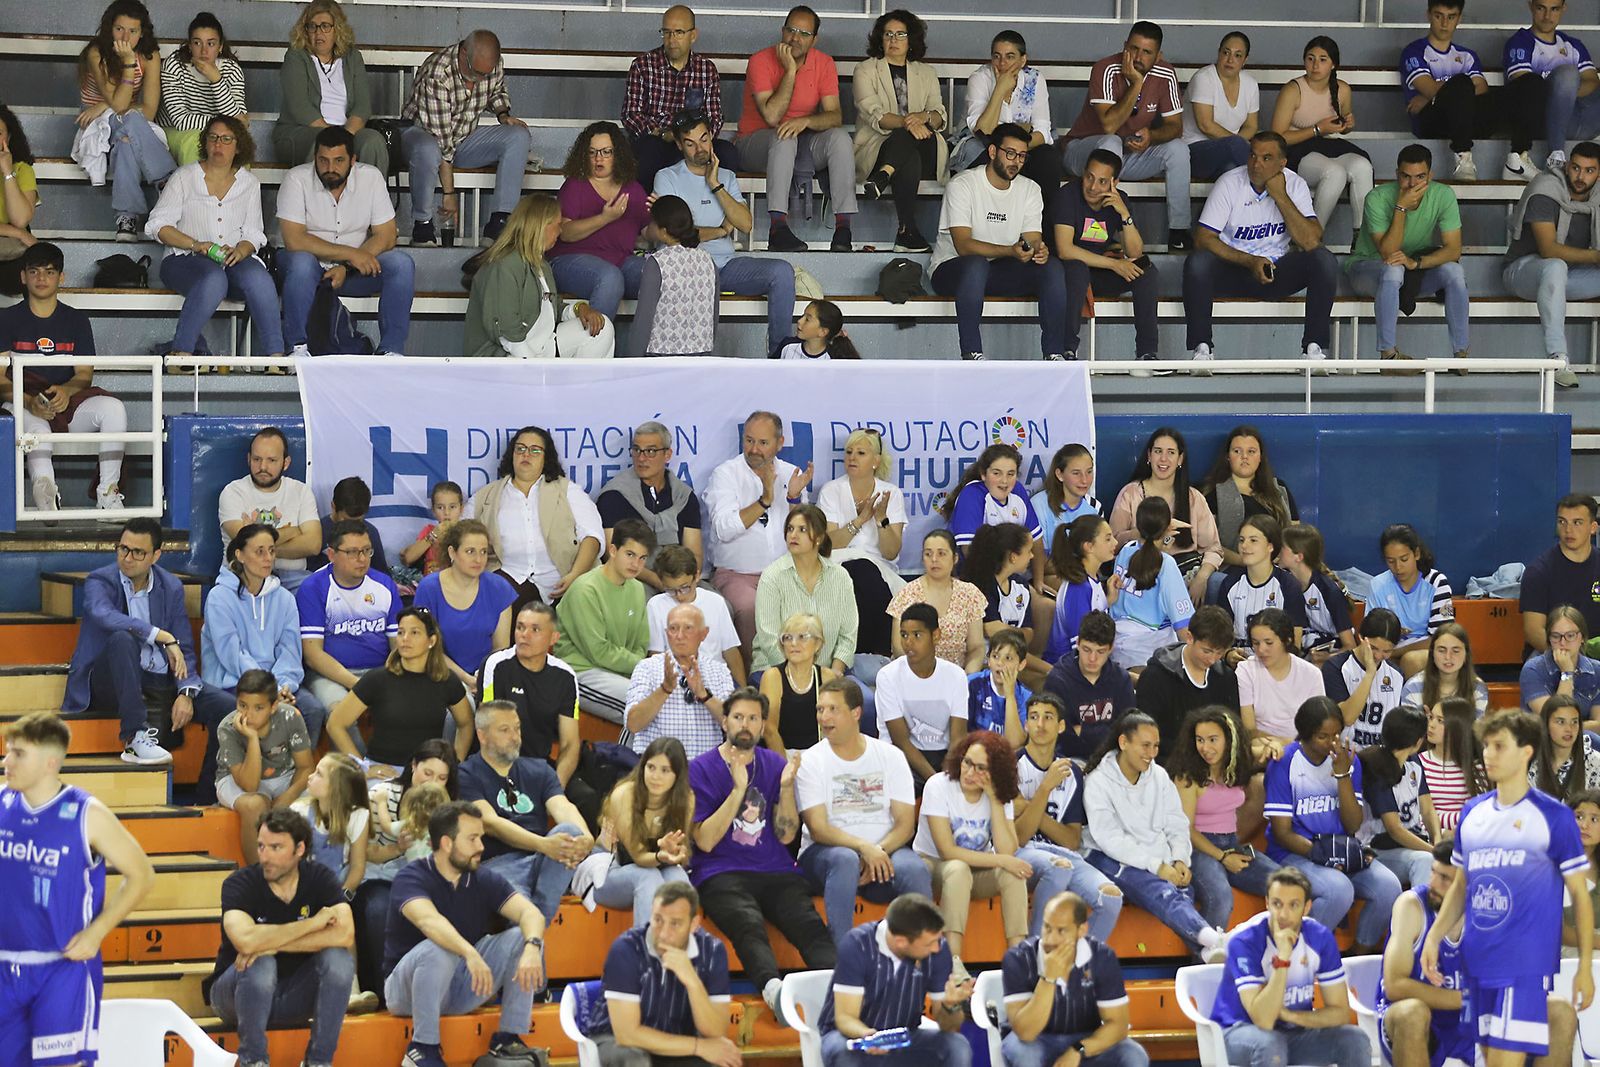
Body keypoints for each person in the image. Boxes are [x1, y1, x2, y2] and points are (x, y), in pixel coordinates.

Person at [1422, 710, 1593, 1067]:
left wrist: (1584, 967)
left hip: (1525, 965)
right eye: (1486, 746)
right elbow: (1461, 885)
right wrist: (1434, 937)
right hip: (1478, 961)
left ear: (1526, 751)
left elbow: (1579, 894)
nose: (1488, 754)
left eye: (1499, 746)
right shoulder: (1472, 812)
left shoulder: (1553, 816)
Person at [0, 711, 154, 1066]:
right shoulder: (3, 803)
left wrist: (97, 932)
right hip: (6, 966)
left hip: (61, 968)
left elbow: (142, 875)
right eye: (7, 752)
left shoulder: (87, 814)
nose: (7, 761)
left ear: (50, 763)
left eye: (18, 754)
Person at [688, 687, 836, 1022]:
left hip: (775, 869)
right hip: (720, 872)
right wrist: (738, 789)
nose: (745, 724)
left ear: (762, 725)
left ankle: (839, 991)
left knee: (809, 924)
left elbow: (786, 835)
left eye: (753, 718)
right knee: (747, 923)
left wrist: (786, 789)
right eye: (738, 717)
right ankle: (773, 990)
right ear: (724, 722)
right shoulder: (700, 768)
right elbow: (706, 842)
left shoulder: (774, 764)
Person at [382, 800, 549, 1067]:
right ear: (447, 843)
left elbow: (531, 914)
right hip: (407, 992)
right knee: (439, 948)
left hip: (460, 984)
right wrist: (469, 952)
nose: (481, 846)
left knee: (523, 937)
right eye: (472, 839)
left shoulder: (482, 878)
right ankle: (422, 1049)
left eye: (481, 838)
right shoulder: (411, 877)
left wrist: (532, 947)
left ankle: (508, 1039)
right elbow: (429, 921)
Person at [206, 806, 354, 1067]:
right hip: (237, 994)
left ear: (299, 849)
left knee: (339, 960)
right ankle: (254, 1061)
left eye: (276, 848)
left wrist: (272, 944)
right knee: (259, 962)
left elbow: (345, 934)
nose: (265, 856)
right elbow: (246, 941)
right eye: (261, 846)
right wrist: (313, 924)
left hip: (295, 994)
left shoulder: (320, 878)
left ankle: (319, 1062)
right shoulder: (240, 882)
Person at [1082, 711, 1229, 960]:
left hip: (1154, 857)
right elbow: (1110, 839)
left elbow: (1176, 822)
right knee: (1158, 889)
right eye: (1145, 745)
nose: (1152, 753)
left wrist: (1179, 859)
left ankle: (1207, 952)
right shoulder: (1098, 781)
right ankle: (1213, 941)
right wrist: (1158, 867)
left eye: (1156, 746)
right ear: (1123, 742)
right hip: (1104, 856)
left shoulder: (1159, 776)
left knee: (1182, 891)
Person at [1184, 131, 1338, 368]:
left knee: (1324, 260)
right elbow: (1203, 239)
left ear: (1282, 163)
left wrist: (1280, 196)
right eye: (1253, 156)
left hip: (1277, 271)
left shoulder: (1295, 184)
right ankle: (1202, 349)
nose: (1256, 164)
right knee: (1198, 262)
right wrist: (1250, 261)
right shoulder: (1230, 182)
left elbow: (1311, 241)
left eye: (1267, 158)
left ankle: (1313, 349)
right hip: (1235, 268)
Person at [1266, 695, 1403, 955]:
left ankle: (1356, 958)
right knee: (1339, 890)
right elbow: (1282, 833)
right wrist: (1323, 855)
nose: (1332, 742)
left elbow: (1352, 823)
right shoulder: (1285, 762)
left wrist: (1342, 775)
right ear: (1305, 735)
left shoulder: (1348, 760)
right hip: (1294, 853)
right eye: (1323, 736)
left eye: (1336, 734)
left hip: (1340, 850)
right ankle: (1295, 957)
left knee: (1389, 888)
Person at [798, 678, 930, 946]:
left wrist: (876, 851)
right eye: (820, 709)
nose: (824, 717)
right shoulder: (811, 760)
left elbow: (905, 825)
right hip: (825, 856)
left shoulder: (890, 756)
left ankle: (925, 958)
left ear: (856, 713)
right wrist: (863, 848)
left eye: (833, 709)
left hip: (884, 853)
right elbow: (818, 828)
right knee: (845, 860)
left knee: (914, 869)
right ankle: (843, 959)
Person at [655, 110, 797, 354]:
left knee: (782, 272)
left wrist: (715, 184)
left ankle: (779, 355)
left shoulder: (726, 177)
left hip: (726, 266)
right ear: (679, 145)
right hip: (686, 269)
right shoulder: (667, 177)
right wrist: (721, 230)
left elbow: (745, 224)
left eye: (704, 139)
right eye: (690, 143)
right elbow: (675, 235)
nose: (699, 148)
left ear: (711, 136)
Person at [0, 242, 126, 513]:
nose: (41, 278)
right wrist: (28, 401)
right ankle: (47, 497)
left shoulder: (77, 320)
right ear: (23, 277)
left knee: (114, 408)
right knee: (38, 430)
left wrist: (66, 392)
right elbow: (0, 379)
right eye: (34, 271)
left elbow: (84, 375)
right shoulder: (6, 319)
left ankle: (108, 495)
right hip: (23, 404)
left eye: (49, 271)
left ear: (61, 277)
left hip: (66, 404)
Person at [148, 113, 282, 363]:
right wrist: (196, 245)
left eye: (226, 139)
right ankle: (182, 354)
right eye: (213, 138)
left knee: (259, 278)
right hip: (183, 259)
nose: (219, 144)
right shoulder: (184, 176)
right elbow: (158, 225)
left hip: (231, 260)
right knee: (213, 278)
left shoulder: (249, 183)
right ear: (205, 143)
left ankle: (276, 358)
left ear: (238, 146)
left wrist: (241, 250)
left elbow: (254, 233)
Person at [62, 517, 197, 764]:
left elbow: (184, 647)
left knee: (222, 706)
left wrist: (186, 692)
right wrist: (160, 635)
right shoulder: (100, 580)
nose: (127, 558)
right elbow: (104, 615)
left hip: (157, 681)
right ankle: (134, 737)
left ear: (155, 556)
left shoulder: (171, 587)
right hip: (109, 679)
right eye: (123, 549)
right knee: (123, 639)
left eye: (138, 552)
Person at [929, 122, 1067, 362]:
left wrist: (1037, 249)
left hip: (1000, 270)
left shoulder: (1030, 189)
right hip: (953, 269)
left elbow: (1032, 237)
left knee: (1051, 267)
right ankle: (972, 354)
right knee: (976, 264)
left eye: (1022, 156)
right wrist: (1010, 251)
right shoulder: (962, 184)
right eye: (1010, 153)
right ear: (993, 151)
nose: (1016, 162)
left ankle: (1054, 354)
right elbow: (963, 245)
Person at [1210, 866, 1374, 1067]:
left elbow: (1340, 1013)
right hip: (1238, 1032)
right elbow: (1264, 1020)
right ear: (1267, 903)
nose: (1283, 914)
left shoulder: (1319, 937)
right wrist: (1283, 958)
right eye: (1277, 904)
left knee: (1354, 1039)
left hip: (1293, 1033)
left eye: (1293, 905)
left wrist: (1291, 1016)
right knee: (1270, 1044)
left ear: (1306, 908)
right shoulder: (1245, 941)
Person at [279, 126, 413, 357]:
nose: (330, 168)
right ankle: (296, 348)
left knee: (401, 264)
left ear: (353, 160)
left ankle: (390, 351)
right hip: (308, 270)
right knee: (301, 263)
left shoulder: (370, 177)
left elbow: (387, 234)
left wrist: (347, 267)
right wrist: (351, 255)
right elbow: (294, 240)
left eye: (339, 161)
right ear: (315, 158)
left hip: (353, 271)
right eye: (323, 160)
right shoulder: (296, 178)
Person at [736, 5, 857, 253]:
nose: (795, 38)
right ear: (782, 31)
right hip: (754, 144)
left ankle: (843, 228)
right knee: (784, 137)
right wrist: (790, 70)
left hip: (801, 140)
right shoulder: (760, 60)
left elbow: (834, 116)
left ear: (814, 39)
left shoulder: (823, 63)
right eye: (791, 30)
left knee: (840, 138)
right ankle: (777, 228)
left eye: (804, 33)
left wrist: (806, 121)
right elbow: (772, 116)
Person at [459, 701, 594, 920]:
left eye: (517, 728)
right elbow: (490, 823)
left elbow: (563, 807)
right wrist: (543, 844)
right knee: (524, 912)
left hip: (543, 859)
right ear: (482, 736)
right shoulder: (466, 774)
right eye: (505, 730)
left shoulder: (539, 769)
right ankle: (537, 920)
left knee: (571, 830)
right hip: (498, 864)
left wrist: (587, 838)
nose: (515, 737)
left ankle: (535, 922)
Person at [1063, 21, 1190, 250]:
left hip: (1126, 155)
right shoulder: (1106, 68)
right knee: (1111, 142)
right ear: (1124, 46)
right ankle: (1103, 229)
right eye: (1133, 49)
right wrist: (1137, 83)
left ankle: (1179, 232)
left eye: (1147, 52)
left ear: (1158, 56)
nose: (1138, 57)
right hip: (1083, 152)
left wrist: (1152, 136)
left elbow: (1175, 127)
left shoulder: (1166, 73)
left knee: (1178, 149)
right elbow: (1109, 125)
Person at [198, 523, 328, 747]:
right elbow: (231, 654)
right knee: (260, 712)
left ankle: (296, 769)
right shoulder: (219, 597)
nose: (268, 558)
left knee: (312, 710)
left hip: (278, 683)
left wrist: (283, 686)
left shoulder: (285, 598)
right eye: (260, 551)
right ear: (239, 555)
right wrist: (270, 690)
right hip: (233, 681)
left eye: (272, 551)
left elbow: (290, 651)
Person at [913, 729, 1030, 973]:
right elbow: (947, 851)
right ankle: (953, 963)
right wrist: (1002, 860)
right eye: (967, 762)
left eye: (981, 768)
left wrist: (995, 799)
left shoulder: (1000, 794)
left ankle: (1018, 960)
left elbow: (1007, 849)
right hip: (934, 866)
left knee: (1013, 875)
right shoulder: (939, 785)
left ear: (995, 772)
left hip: (976, 870)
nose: (969, 772)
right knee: (958, 869)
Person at [400, 30, 531, 246]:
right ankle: (422, 224)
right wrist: (449, 193)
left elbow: (496, 92)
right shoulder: (438, 72)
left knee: (518, 135)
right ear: (463, 53)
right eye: (476, 72)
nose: (479, 79)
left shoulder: (492, 64)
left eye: (485, 75)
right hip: (421, 135)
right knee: (428, 148)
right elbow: (441, 140)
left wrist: (503, 115)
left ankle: (500, 224)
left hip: (463, 137)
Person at [1013, 693, 1125, 942]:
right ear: (1026, 725)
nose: (1040, 724)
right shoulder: (1012, 765)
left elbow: (1071, 841)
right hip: (1022, 853)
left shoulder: (1072, 771)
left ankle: (1076, 962)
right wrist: (1045, 788)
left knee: (1110, 898)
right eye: (1034, 717)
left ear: (1061, 726)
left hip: (1063, 854)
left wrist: (1029, 807)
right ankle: (1037, 953)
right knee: (1058, 869)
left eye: (1048, 717)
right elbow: (1019, 836)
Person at [1347, 145, 1470, 368]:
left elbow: (1453, 250)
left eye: (1420, 177)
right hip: (1366, 268)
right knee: (1393, 269)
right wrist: (1401, 208)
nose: (1412, 184)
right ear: (1397, 174)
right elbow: (1388, 253)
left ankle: (1461, 355)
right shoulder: (1377, 197)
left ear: (1430, 175)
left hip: (1410, 271)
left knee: (1455, 270)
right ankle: (1388, 356)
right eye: (1406, 176)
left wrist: (1417, 263)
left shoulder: (1443, 194)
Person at [819, 892, 975, 1066]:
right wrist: (869, 1037)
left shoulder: (938, 950)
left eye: (938, 940)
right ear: (901, 942)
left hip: (904, 1037)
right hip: (853, 1036)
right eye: (929, 943)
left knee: (957, 1046)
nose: (936, 948)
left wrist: (951, 1005)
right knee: (844, 1053)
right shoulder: (857, 945)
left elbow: (949, 1027)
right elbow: (845, 1018)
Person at [593, 881, 739, 1067]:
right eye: (658, 920)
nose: (663, 933)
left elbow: (716, 1031)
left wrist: (692, 982)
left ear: (694, 924)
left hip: (678, 1041)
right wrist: (698, 1046)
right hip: (615, 1042)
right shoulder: (626, 948)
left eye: (675, 924)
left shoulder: (712, 951)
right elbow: (627, 1034)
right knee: (635, 1060)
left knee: (720, 1058)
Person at [706, 410, 812, 658]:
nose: (754, 449)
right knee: (750, 608)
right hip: (737, 575)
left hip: (786, 574)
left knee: (809, 606)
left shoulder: (791, 474)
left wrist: (794, 499)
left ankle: (798, 674)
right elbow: (723, 528)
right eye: (749, 440)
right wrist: (764, 501)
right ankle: (754, 675)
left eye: (763, 443)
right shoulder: (725, 474)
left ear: (780, 443)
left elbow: (804, 536)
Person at [358, 740, 458, 1001]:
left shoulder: (445, 805)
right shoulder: (382, 794)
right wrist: (397, 848)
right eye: (427, 773)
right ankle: (384, 992)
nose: (432, 782)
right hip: (381, 874)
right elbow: (364, 851)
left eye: (441, 778)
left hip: (426, 878)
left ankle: (445, 989)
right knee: (380, 910)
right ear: (413, 766)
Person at [1000, 891, 1146, 1067]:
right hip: (1033, 1041)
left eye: (1061, 931)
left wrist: (1079, 1049)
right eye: (1047, 928)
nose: (1051, 939)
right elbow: (1025, 1033)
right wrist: (1049, 979)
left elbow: (1118, 1025)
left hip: (1084, 1037)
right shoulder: (1018, 958)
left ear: (1081, 930)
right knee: (1026, 1055)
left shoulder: (1102, 957)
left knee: (1133, 1055)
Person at [465, 193, 615, 359]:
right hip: (505, 355)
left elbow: (553, 307)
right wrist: (534, 367)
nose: (560, 230)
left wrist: (580, 309)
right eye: (558, 225)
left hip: (539, 347)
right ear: (541, 225)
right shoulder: (506, 264)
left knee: (602, 329)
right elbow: (506, 331)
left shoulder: (541, 263)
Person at [1171, 705, 1281, 931]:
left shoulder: (1236, 765)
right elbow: (1186, 830)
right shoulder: (1187, 776)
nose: (1205, 748)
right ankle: (1207, 953)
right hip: (1198, 849)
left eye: (1213, 740)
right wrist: (1222, 858)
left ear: (1229, 741)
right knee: (1221, 897)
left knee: (1284, 883)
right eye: (1200, 740)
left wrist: (1275, 745)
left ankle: (1275, 946)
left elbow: (1266, 749)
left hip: (1231, 843)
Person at [327, 606, 473, 772]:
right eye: (401, 632)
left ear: (431, 641)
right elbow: (335, 723)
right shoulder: (377, 679)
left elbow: (466, 723)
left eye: (414, 633)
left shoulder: (446, 680)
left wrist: (455, 764)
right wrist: (362, 768)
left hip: (427, 771)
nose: (405, 638)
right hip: (383, 770)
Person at [468, 424, 602, 606]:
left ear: (546, 458)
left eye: (535, 450)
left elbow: (592, 537)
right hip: (509, 579)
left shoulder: (568, 491)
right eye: (520, 449)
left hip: (565, 579)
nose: (526, 455)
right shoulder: (486, 496)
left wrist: (575, 575)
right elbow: (460, 537)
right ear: (512, 455)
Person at [479, 602, 591, 819]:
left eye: (535, 629)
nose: (524, 635)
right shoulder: (497, 664)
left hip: (539, 765)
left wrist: (554, 788)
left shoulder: (565, 676)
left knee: (587, 798)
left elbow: (570, 743)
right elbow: (489, 730)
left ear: (553, 638)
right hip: (496, 762)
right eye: (520, 627)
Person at [1504, 142, 1600, 390]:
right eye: (1576, 168)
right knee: (1555, 266)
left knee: (1559, 271)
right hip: (1524, 271)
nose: (1580, 176)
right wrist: (1595, 257)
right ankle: (1558, 359)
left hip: (1569, 276)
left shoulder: (1597, 198)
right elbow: (1548, 250)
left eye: (1589, 171)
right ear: (1567, 166)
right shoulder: (1546, 189)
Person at [77, 0, 175, 239]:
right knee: (128, 120)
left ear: (142, 33)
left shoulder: (150, 56)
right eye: (119, 29)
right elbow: (120, 106)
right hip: (96, 125)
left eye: (133, 31)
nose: (125, 37)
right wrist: (129, 63)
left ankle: (127, 218)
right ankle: (169, 183)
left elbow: (149, 110)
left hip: (128, 123)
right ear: (109, 28)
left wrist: (105, 104)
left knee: (126, 142)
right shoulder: (96, 53)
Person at [853, 10, 948, 252]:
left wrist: (924, 117)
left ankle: (884, 176)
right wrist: (909, 122)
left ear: (911, 39)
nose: (893, 40)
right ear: (880, 39)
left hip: (925, 145)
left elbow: (939, 115)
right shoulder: (865, 70)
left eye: (900, 34)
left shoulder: (926, 73)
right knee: (908, 151)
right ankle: (906, 231)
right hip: (879, 148)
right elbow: (875, 115)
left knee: (911, 141)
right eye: (888, 34)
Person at [1053, 150, 1158, 365]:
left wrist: (1124, 215)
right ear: (1083, 174)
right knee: (1077, 269)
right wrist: (1114, 264)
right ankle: (1067, 351)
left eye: (1102, 181)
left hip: (1099, 271)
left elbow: (1135, 253)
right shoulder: (1068, 195)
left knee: (1146, 270)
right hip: (1066, 272)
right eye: (1089, 177)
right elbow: (1065, 250)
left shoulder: (1120, 201)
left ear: (1114, 183)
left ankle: (1146, 355)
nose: (1093, 187)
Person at [1376, 840, 1474, 1067]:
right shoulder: (1411, 906)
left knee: (1548, 1011)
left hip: (1466, 1021)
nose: (1433, 884)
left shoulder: (1486, 912)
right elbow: (1394, 986)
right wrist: (1467, 999)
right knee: (1413, 1013)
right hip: (1414, 1020)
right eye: (1433, 872)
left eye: (1445, 878)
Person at [551, 519, 655, 724]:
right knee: (642, 706)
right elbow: (598, 651)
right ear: (613, 550)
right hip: (580, 672)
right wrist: (643, 668)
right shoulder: (585, 590)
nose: (636, 564)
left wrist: (643, 670)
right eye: (630, 555)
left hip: (619, 672)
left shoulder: (636, 588)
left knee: (668, 699)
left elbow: (641, 644)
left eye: (642, 558)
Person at [817, 428, 907, 663]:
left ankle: (871, 658)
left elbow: (891, 552)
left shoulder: (891, 494)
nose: (852, 458)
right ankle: (870, 656)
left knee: (867, 573)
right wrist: (860, 520)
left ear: (876, 460)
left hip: (881, 569)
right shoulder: (831, 491)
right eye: (848, 452)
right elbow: (827, 545)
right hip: (838, 565)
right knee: (859, 570)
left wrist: (880, 519)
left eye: (860, 453)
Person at [622, 4, 734, 191]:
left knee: (727, 153)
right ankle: (650, 206)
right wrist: (661, 133)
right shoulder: (642, 65)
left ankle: (719, 206)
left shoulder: (706, 69)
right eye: (666, 32)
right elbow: (631, 114)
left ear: (693, 35)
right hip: (657, 138)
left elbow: (714, 117)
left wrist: (695, 139)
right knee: (649, 149)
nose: (671, 40)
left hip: (693, 139)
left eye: (679, 33)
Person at [1270, 36, 1373, 237]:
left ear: (1333, 64)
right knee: (1334, 172)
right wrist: (1317, 129)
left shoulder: (1343, 89)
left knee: (1363, 166)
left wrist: (1347, 126)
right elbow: (1277, 139)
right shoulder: (1293, 90)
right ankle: (1313, 237)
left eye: (1322, 59)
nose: (1315, 65)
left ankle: (1361, 238)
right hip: (1297, 150)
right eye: (1310, 59)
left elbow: (1342, 127)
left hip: (1329, 146)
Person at [297, 519, 401, 715]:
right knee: (342, 711)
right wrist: (358, 684)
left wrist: (389, 676)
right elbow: (313, 655)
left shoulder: (385, 585)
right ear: (331, 555)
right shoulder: (313, 588)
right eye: (352, 552)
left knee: (406, 704)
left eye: (366, 550)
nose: (362, 559)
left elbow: (398, 644)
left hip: (379, 671)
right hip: (328, 676)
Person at [549, 122, 650, 320]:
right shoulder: (575, 185)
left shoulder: (633, 189)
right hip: (570, 260)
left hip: (620, 260)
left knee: (656, 273)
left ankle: (653, 339)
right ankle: (596, 339)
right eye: (592, 152)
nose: (598, 158)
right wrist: (605, 218)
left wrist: (663, 216)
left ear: (618, 154)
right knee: (609, 277)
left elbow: (648, 232)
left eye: (606, 152)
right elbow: (565, 232)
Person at [214, 670, 316, 866]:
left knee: (318, 798)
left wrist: (285, 800)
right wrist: (252, 738)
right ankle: (259, 873)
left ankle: (305, 871)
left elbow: (305, 767)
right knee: (255, 805)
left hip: (284, 775)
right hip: (235, 778)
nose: (248, 714)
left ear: (274, 706)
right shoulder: (227, 727)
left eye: (258, 708)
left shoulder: (290, 716)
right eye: (242, 705)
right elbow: (249, 786)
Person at [1109, 428, 1222, 604]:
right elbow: (1113, 544)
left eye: (1171, 452)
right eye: (1158, 451)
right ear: (1149, 456)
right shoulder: (1130, 493)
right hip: (1144, 573)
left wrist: (1202, 578)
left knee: (1218, 583)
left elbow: (1213, 549)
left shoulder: (1194, 498)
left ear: (1180, 459)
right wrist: (1146, 532)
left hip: (1186, 573)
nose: (1163, 459)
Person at [592, 738, 693, 927]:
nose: (655, 776)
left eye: (665, 770)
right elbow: (637, 856)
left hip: (655, 866)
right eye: (651, 767)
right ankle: (646, 945)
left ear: (677, 775)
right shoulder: (624, 794)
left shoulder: (686, 799)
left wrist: (675, 852)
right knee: (648, 877)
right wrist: (660, 855)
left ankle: (675, 945)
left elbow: (681, 854)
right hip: (609, 869)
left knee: (679, 881)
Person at [274, 0, 386, 168]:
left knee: (373, 141)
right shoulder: (295, 56)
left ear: (337, 29)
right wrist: (333, 137)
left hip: (346, 130)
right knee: (321, 142)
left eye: (325, 26)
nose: (318, 32)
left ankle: (372, 187)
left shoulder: (352, 57)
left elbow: (362, 107)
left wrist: (346, 135)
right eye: (312, 26)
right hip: (301, 131)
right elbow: (300, 107)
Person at [411, 520, 516, 695]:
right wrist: (467, 680)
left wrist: (482, 678)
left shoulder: (500, 588)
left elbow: (500, 649)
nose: (478, 559)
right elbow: (426, 647)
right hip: (440, 676)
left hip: (487, 677)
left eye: (483, 552)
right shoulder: (429, 588)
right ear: (452, 552)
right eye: (470, 552)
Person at [597, 420, 704, 592]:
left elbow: (695, 554)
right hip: (634, 578)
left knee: (715, 601)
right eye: (637, 450)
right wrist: (658, 581)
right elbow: (612, 554)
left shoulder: (684, 496)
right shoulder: (614, 495)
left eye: (651, 451)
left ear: (667, 454)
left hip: (678, 577)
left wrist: (682, 583)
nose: (641, 458)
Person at [752, 504, 858, 676]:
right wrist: (802, 679)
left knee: (862, 693)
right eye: (790, 529)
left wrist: (834, 673)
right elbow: (769, 640)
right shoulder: (772, 577)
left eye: (802, 530)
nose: (793, 535)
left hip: (829, 672)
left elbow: (848, 635)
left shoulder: (840, 577)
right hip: (777, 671)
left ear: (819, 538)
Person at [956, 31, 1063, 200]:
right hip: (984, 146)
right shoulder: (980, 78)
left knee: (1047, 158)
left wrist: (1014, 150)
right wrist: (1000, 90)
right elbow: (983, 131)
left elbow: (1043, 132)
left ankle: (1042, 217)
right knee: (988, 156)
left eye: (1010, 57)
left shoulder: (1034, 79)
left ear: (1023, 60)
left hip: (1022, 146)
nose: (1002, 63)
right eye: (996, 56)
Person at [1502, 0, 1600, 180]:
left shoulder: (1572, 45)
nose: (1547, 16)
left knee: (1569, 80)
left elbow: (1592, 81)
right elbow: (1525, 86)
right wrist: (1562, 89)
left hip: (1576, 119)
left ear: (1563, 8)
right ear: (1531, 6)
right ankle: (1556, 157)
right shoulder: (1521, 42)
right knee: (1567, 74)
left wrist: (1564, 95)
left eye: (1554, 9)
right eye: (1541, 8)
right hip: (1541, 121)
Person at [625, 602, 736, 760]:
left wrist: (704, 695)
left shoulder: (719, 671)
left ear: (704, 634)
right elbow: (633, 724)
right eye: (673, 628)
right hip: (658, 766)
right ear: (666, 633)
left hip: (704, 767)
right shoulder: (647, 667)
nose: (679, 636)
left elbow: (733, 726)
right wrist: (664, 689)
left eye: (688, 628)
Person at [1402, 0, 1495, 180]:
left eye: (1451, 17)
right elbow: (1429, 87)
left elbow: (1482, 88)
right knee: (1462, 83)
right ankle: (1463, 157)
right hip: (1432, 122)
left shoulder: (1467, 55)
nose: (1444, 24)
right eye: (1439, 16)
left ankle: (1518, 158)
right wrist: (1451, 89)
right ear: (1429, 15)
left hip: (1464, 118)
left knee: (1498, 97)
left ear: (1459, 18)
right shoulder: (1414, 51)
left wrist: (1433, 95)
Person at [879, 604, 970, 785]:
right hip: (901, 756)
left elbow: (957, 739)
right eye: (904, 635)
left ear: (935, 635)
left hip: (944, 757)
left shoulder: (956, 676)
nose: (908, 642)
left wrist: (946, 778)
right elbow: (901, 741)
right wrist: (935, 783)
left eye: (917, 635)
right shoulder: (888, 676)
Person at [218, 427, 321, 585]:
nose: (263, 467)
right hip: (243, 576)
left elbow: (313, 545)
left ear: (286, 463)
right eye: (257, 459)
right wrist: (293, 531)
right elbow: (245, 542)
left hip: (294, 579)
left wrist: (259, 549)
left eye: (271, 460)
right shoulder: (233, 492)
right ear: (248, 459)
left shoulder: (301, 492)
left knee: (316, 589)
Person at [1134, 605, 1237, 760]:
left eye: (1219, 653)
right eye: (1207, 651)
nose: (1212, 659)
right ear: (1189, 637)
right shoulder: (1156, 677)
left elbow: (1232, 730)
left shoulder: (1226, 678)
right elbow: (1146, 734)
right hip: (1167, 763)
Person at [1108, 498, 1197, 674]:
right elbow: (1184, 626)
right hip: (1149, 651)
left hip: (1114, 644)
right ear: (1166, 527)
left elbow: (1147, 554)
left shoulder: (1126, 550)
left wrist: (1162, 540)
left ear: (1138, 525)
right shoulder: (1166, 563)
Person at [1358, 706, 1439, 888]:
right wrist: (1432, 851)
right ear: (1418, 742)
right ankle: (1419, 907)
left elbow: (1427, 809)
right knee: (1424, 860)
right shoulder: (1377, 767)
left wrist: (1438, 841)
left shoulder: (1413, 761)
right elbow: (1394, 829)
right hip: (1378, 849)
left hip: (1411, 842)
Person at [630, 194, 719, 357]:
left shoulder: (658, 262)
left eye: (652, 222)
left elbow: (644, 319)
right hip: (701, 354)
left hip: (662, 355)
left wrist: (632, 360)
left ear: (663, 232)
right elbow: (714, 315)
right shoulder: (708, 260)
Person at [1199, 426, 1298, 570]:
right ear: (1228, 457)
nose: (1244, 457)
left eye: (1251, 451)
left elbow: (1295, 534)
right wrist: (1246, 560)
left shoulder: (1279, 489)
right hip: (1232, 569)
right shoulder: (1211, 493)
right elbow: (1208, 544)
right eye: (1237, 451)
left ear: (1260, 457)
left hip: (1279, 568)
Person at [887, 529, 987, 671]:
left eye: (941, 553)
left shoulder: (970, 594)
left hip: (958, 675)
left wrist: (967, 678)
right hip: (914, 673)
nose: (934, 559)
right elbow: (899, 648)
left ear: (955, 558)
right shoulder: (906, 595)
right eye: (928, 554)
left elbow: (976, 647)